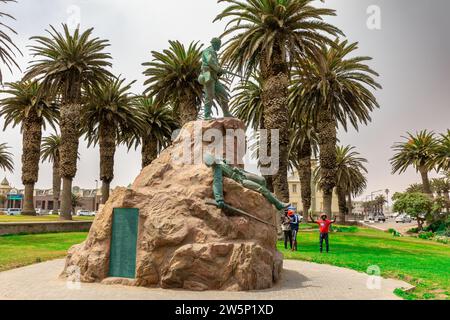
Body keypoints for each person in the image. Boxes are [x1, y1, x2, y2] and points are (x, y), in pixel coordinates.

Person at [198, 37, 233, 120]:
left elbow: (215, 66)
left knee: (224, 94)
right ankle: (207, 115)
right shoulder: (208, 51)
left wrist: (221, 71)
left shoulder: (214, 53)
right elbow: (210, 61)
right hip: (208, 76)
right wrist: (219, 69)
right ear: (215, 44)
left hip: (214, 77)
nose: (219, 46)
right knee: (209, 96)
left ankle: (226, 113)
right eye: (219, 45)